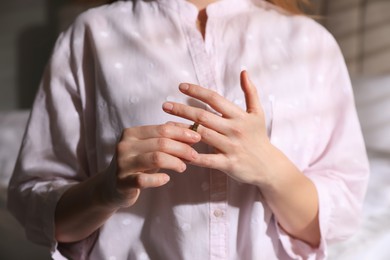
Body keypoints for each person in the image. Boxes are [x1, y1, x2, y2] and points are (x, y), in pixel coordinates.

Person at [8, 0, 369, 259]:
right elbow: (41, 210)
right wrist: (105, 191)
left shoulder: (310, 43)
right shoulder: (91, 35)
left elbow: (336, 220)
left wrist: (271, 168)